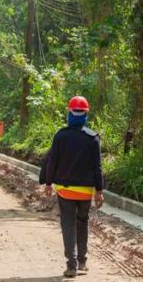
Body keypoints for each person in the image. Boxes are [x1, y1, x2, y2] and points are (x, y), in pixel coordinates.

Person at [43, 96, 104, 278]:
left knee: (68, 224)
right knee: (82, 222)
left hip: (65, 190)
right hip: (85, 192)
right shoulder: (93, 138)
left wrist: (48, 183)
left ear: (69, 113)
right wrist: (99, 191)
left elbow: (52, 162)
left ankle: (71, 265)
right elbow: (97, 167)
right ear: (86, 114)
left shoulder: (60, 136)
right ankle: (83, 262)